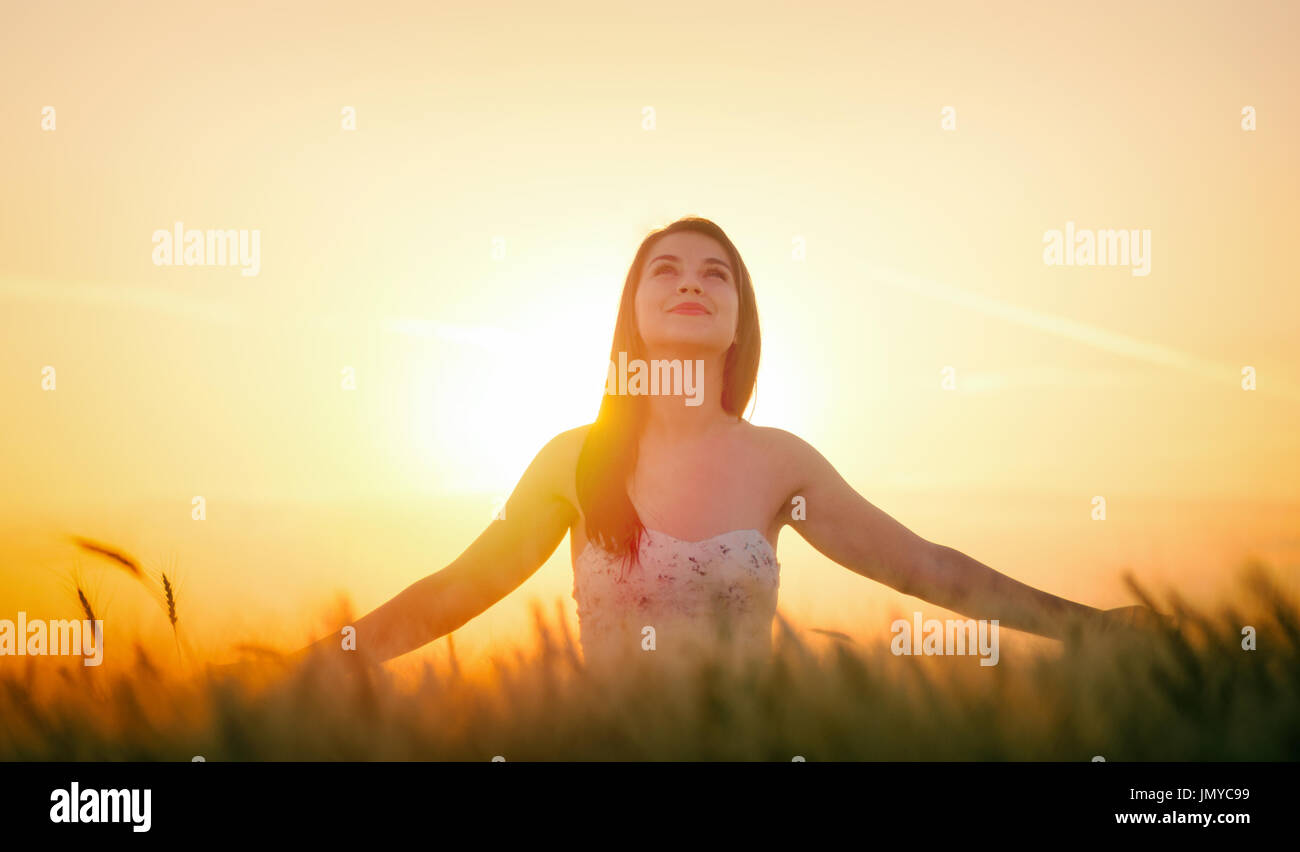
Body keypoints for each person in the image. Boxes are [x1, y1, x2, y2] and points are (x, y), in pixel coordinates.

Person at [285, 216, 1167, 675]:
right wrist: (306, 672)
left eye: (716, 275)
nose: (691, 284)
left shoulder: (781, 462)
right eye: (665, 271)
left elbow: (927, 568)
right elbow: (454, 592)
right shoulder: (573, 461)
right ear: (631, 313)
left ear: (740, 321)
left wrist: (1092, 630)